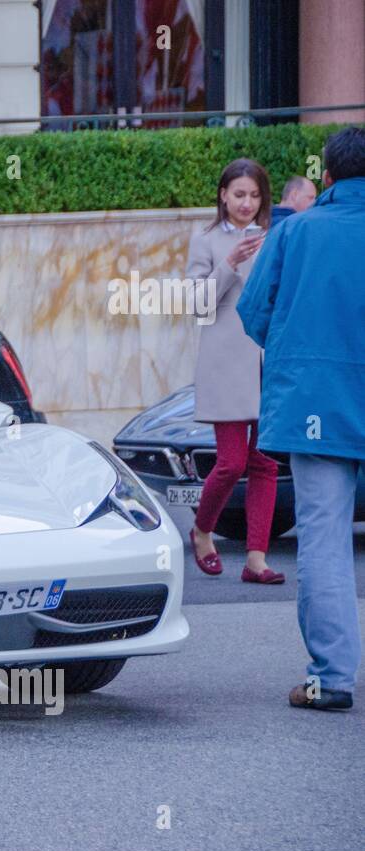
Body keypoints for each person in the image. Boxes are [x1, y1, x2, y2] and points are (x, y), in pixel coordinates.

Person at [239, 126, 365, 712]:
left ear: (329, 178)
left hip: (318, 400)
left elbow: (254, 311)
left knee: (324, 541)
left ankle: (332, 678)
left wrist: (294, 350)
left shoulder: (299, 232)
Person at [185, 158, 283, 584]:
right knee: (230, 463)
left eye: (254, 195)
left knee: (264, 462)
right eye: (239, 194)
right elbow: (197, 304)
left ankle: (256, 559)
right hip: (225, 361)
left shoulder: (275, 238)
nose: (246, 203)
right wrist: (229, 263)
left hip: (268, 358)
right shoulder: (204, 239)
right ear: (223, 194)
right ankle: (202, 531)